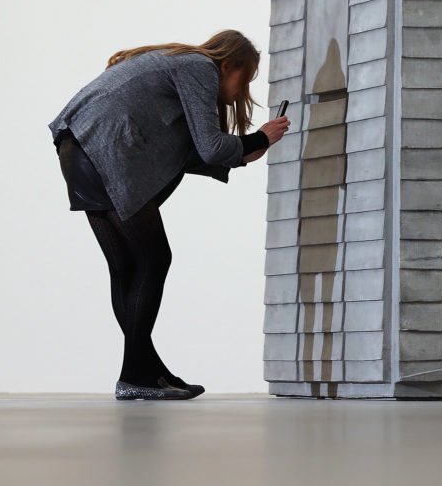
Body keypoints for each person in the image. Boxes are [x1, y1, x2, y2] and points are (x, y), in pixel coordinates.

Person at [48, 30, 291, 401]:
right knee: (154, 258)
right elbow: (210, 148)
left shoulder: (177, 66)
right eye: (246, 78)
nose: (244, 90)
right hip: (105, 155)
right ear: (228, 64)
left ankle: (146, 370)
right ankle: (136, 374)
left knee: (128, 267)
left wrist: (243, 153)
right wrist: (259, 138)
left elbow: (187, 151)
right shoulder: (199, 67)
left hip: (81, 152)